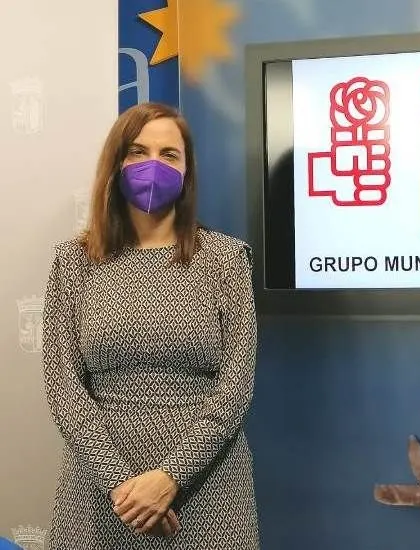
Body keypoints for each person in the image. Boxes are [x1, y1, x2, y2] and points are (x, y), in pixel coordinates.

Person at [41, 102, 259, 549]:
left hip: (208, 489)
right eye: (138, 152)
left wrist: (170, 477)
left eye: (169, 154)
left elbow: (235, 389)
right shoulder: (73, 262)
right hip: (98, 494)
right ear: (116, 163)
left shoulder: (226, 260)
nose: (152, 165)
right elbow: (63, 386)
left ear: (187, 171)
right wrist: (122, 488)